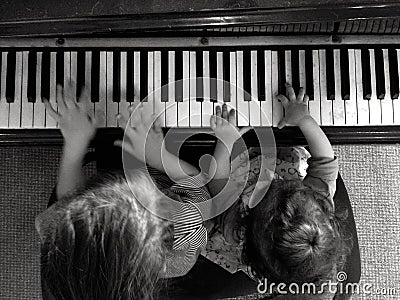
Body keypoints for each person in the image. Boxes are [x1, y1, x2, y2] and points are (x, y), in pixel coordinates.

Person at [35, 82, 211, 300]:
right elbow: (197, 192)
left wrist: (75, 143)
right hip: (162, 171)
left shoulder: (62, 237)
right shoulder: (179, 254)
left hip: (110, 173)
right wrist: (157, 155)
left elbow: (66, 198)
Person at [204, 83, 352, 295]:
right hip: (283, 161)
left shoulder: (235, 229)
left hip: (242, 176)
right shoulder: (319, 201)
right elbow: (325, 160)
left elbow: (217, 182)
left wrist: (225, 141)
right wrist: (303, 119)